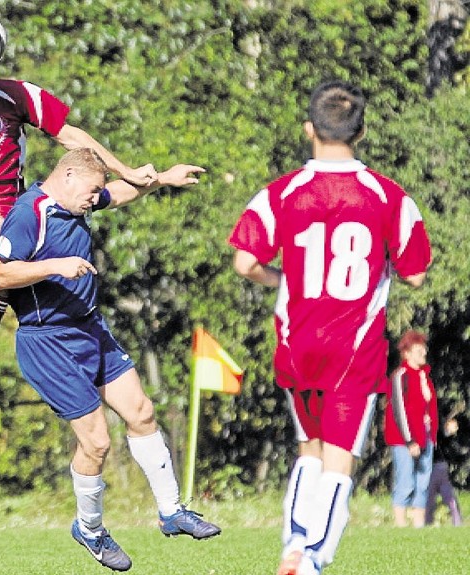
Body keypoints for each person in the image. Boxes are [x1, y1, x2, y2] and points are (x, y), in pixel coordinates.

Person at [228, 81, 431, 575]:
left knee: (309, 451)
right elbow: (417, 273)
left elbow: (243, 262)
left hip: (297, 343)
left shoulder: (282, 192)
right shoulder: (389, 196)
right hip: (353, 347)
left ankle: (292, 546)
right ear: (360, 131)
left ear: (308, 129)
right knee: (341, 458)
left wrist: (285, 279)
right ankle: (313, 557)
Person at [0, 148, 221, 572]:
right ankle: (91, 529)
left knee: (141, 412)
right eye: (90, 190)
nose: (94, 199)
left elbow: (117, 192)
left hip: (89, 328)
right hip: (48, 342)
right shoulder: (29, 214)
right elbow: (1, 274)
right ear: (67, 175)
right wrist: (54, 266)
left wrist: (164, 179)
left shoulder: (77, 198)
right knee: (97, 442)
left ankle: (171, 512)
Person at [0, 51, 157, 415]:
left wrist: (127, 170)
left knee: (12, 283)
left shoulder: (14, 95)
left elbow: (73, 137)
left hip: (9, 209)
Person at [384, 330, 438, 528]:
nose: (423, 352)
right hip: (404, 438)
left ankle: (418, 527)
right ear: (406, 353)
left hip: (426, 437)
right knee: (406, 482)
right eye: (418, 349)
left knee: (423, 483)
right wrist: (409, 440)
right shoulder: (401, 376)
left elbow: (428, 408)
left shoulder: (426, 377)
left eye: (423, 348)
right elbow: (398, 410)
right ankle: (400, 526)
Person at [426, 416, 463, 526]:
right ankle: (426, 522)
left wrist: (448, 431)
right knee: (429, 498)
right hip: (429, 465)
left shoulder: (436, 428)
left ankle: (457, 522)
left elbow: (443, 437)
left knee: (447, 495)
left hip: (438, 465)